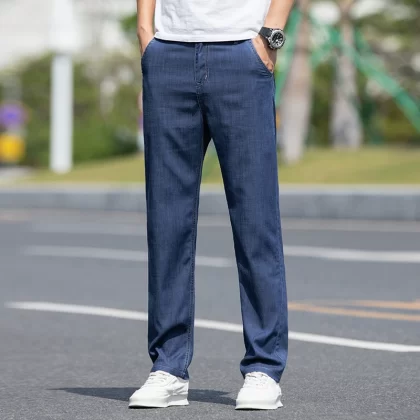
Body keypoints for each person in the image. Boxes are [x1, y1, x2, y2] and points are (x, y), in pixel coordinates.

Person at [129, 0, 294, 411]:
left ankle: (264, 368)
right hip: (168, 53)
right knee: (167, 224)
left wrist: (270, 35)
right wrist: (146, 33)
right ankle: (168, 367)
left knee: (255, 221)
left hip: (242, 51)